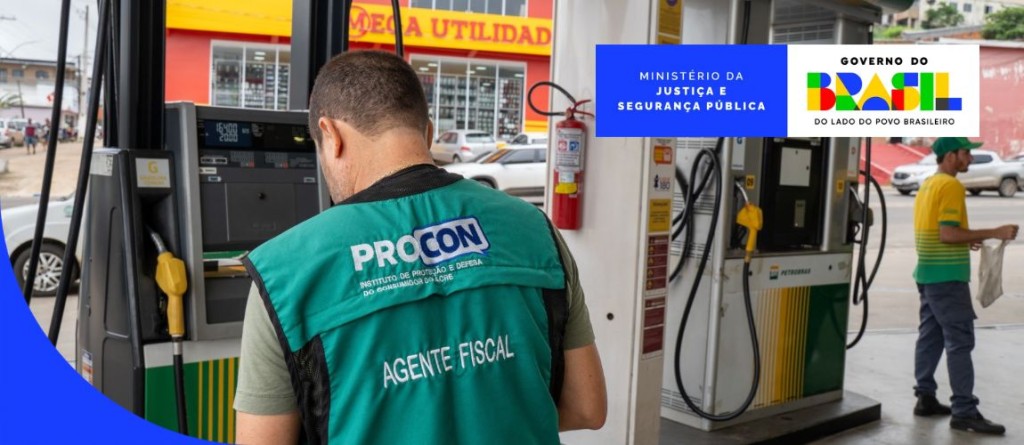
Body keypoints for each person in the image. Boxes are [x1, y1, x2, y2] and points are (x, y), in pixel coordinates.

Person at [233, 50, 607, 445]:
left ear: (331, 135)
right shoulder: (534, 231)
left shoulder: (284, 273)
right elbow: (587, 407)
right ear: (427, 133)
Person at [911, 137, 1018, 435]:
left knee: (930, 337)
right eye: (965, 153)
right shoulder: (951, 186)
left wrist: (968, 238)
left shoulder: (929, 185)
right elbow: (947, 234)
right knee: (960, 341)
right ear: (950, 156)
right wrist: (994, 231)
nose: (970, 158)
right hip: (947, 278)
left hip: (927, 273)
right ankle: (964, 411)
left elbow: (941, 232)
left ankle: (925, 397)